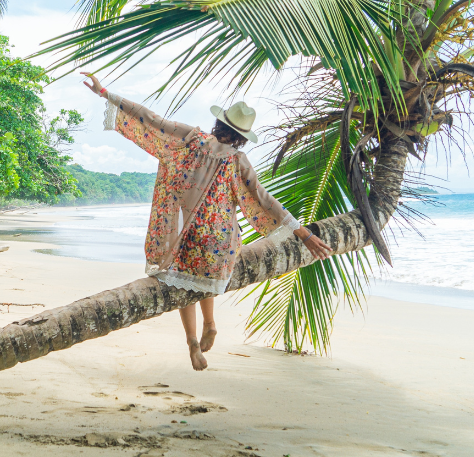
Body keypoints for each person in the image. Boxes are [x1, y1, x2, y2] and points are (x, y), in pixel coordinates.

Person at [81, 72, 334, 371]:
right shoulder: (238, 161)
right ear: (241, 136)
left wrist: (106, 93)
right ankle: (211, 323)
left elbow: (151, 119)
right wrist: (302, 233)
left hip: (186, 234)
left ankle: (191, 341)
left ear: (219, 124)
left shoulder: (191, 139)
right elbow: (265, 201)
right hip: (219, 241)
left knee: (181, 277)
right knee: (204, 277)